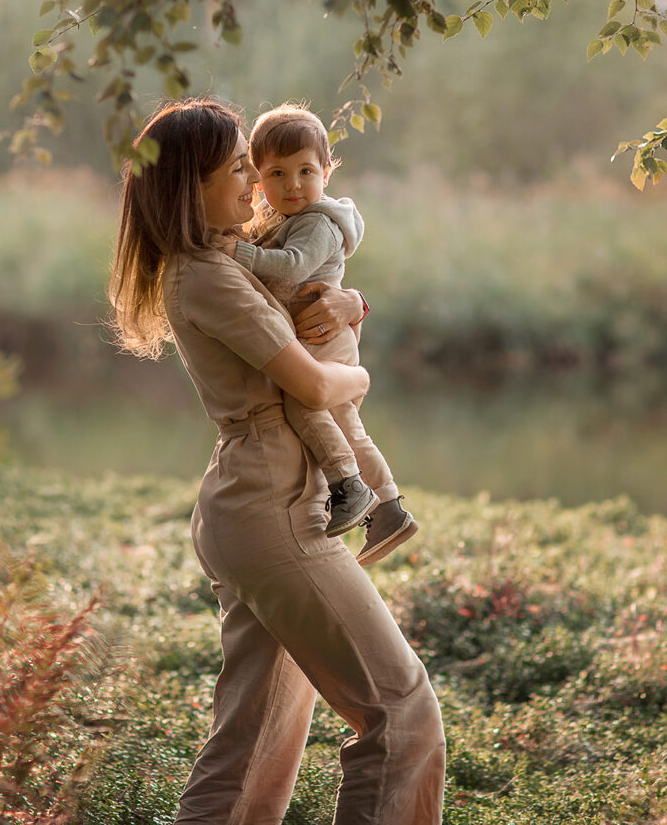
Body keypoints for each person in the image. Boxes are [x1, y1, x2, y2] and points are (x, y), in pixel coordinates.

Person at [109, 97, 445, 824]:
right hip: (273, 506)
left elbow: (302, 296)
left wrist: (349, 303)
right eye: (237, 169)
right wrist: (361, 377)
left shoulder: (226, 263)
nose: (252, 184)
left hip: (260, 500)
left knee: (251, 749)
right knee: (403, 712)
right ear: (190, 184)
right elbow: (319, 384)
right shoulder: (209, 274)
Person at [219, 102, 416, 565]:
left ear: (327, 172)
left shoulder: (317, 221)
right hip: (317, 333)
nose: (293, 185)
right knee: (344, 421)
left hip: (324, 334)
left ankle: (349, 483)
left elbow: (293, 267)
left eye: (306, 171)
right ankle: (387, 507)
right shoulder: (278, 219)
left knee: (303, 399)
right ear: (257, 177)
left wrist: (236, 254)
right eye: (278, 174)